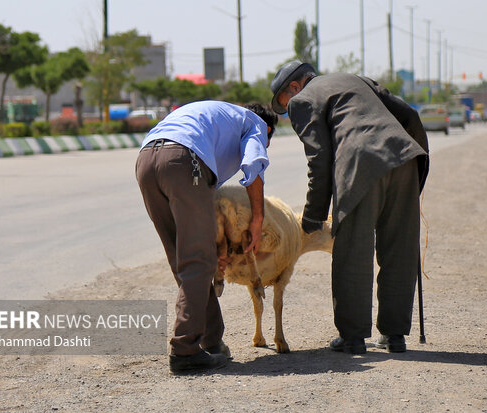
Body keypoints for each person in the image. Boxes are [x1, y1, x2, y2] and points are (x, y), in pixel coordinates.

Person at [270, 61, 429, 354]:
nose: (287, 108)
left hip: (360, 165)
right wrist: (417, 163)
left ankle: (353, 338)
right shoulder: (356, 79)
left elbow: (319, 159)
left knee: (352, 250)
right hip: (406, 158)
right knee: (400, 249)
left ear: (293, 87)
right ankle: (394, 336)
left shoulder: (303, 100)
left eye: (284, 102)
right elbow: (410, 115)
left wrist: (313, 217)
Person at [135, 101, 278, 372]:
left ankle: (212, 340)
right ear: (268, 129)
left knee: (185, 260)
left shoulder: (216, 116)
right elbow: (253, 164)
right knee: (198, 261)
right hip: (182, 160)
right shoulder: (255, 124)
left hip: (146, 161)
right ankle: (185, 350)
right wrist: (257, 219)